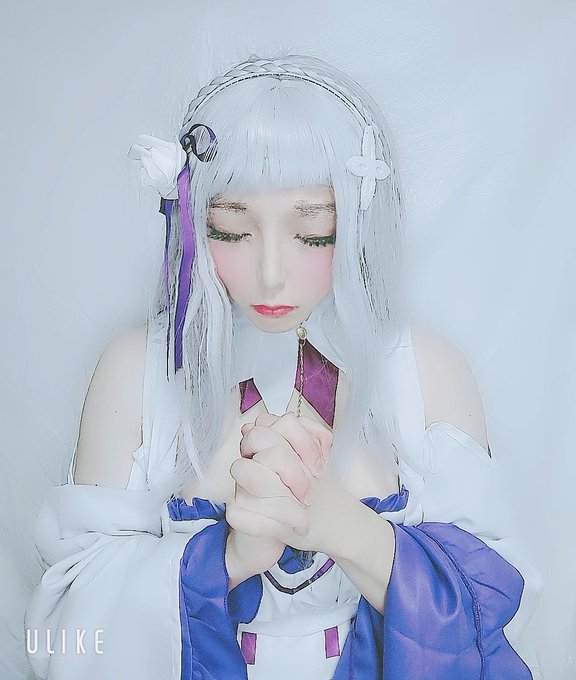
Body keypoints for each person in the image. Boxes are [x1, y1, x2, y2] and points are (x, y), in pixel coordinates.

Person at [25, 55, 537, 679]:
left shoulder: (423, 369)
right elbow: (66, 634)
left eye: (313, 233)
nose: (271, 273)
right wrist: (224, 559)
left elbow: (497, 618)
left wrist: (347, 528)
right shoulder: (137, 370)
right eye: (230, 230)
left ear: (359, 225)